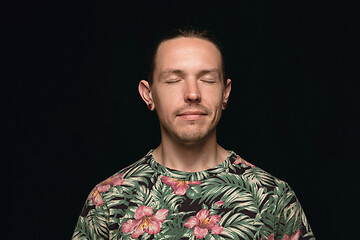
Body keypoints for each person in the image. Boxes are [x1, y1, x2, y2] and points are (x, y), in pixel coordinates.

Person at [72, 27, 315, 240]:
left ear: (225, 93)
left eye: (207, 80)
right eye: (174, 80)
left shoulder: (273, 197)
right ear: (149, 94)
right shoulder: (107, 201)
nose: (192, 93)